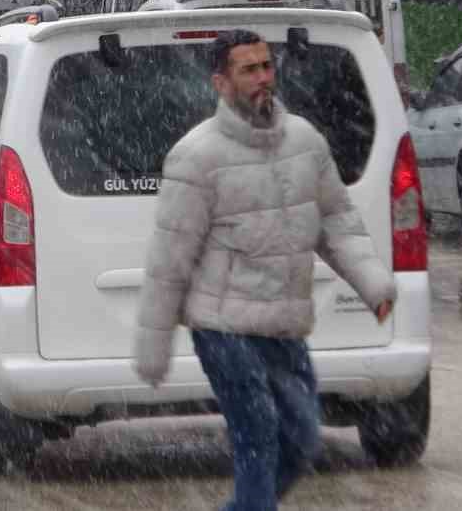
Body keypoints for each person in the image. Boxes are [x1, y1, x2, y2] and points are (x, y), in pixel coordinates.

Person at [134, 30, 395, 510]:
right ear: (221, 82)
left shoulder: (304, 141)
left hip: (283, 323)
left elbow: (337, 222)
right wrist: (153, 344)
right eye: (247, 70)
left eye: (266, 66)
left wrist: (373, 283)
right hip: (225, 328)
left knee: (302, 440)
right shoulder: (197, 156)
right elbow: (170, 258)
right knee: (258, 436)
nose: (261, 79)